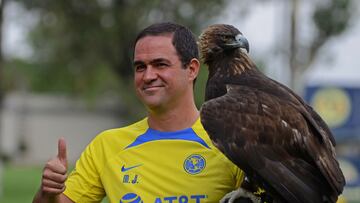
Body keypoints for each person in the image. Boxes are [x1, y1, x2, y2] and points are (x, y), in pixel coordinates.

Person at [33, 22, 244, 203]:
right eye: (140, 67)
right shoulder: (107, 146)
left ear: (192, 69)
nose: (148, 76)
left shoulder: (232, 143)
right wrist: (49, 192)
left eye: (160, 64)